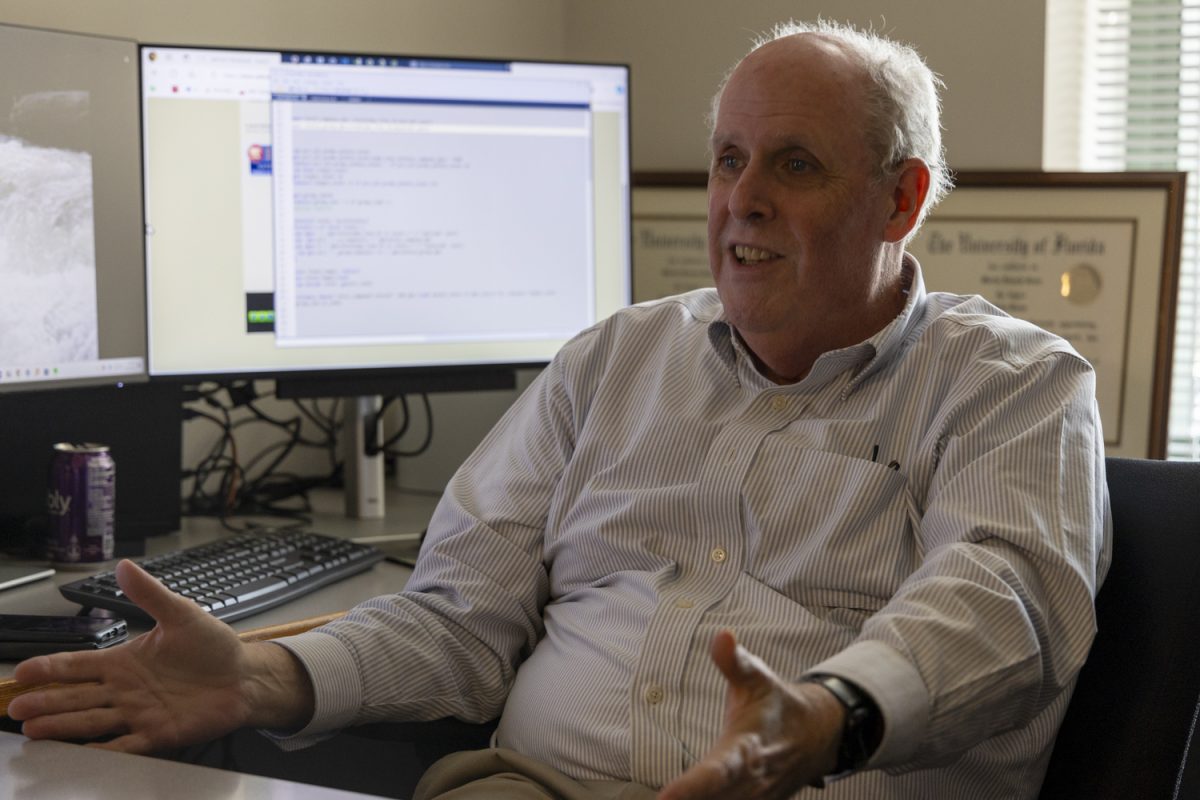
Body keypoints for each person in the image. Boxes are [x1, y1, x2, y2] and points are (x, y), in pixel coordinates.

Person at [9, 19, 1110, 800]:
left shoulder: (1011, 383)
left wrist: (827, 716)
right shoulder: (613, 360)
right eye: (729, 158)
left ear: (901, 199)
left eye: (796, 163)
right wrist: (268, 672)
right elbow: (454, 618)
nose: (743, 198)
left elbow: (998, 605)